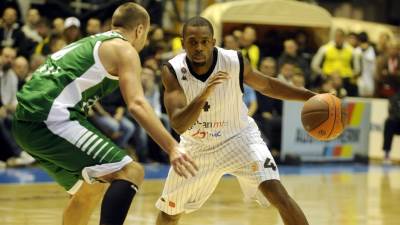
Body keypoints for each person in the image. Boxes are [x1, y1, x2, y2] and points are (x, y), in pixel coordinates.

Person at [12, 3, 197, 225]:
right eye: (146, 34)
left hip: (24, 122)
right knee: (131, 171)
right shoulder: (124, 48)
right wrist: (172, 146)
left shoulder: (94, 41)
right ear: (139, 30)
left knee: (89, 189)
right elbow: (137, 104)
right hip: (51, 117)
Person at [156, 16, 314, 225]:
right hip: (197, 147)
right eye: (192, 42)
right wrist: (204, 95)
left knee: (277, 193)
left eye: (204, 41)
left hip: (239, 138)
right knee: (170, 213)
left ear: (213, 42)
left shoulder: (234, 61)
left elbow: (267, 85)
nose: (199, 47)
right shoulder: (172, 70)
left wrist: (309, 96)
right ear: (182, 42)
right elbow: (178, 124)